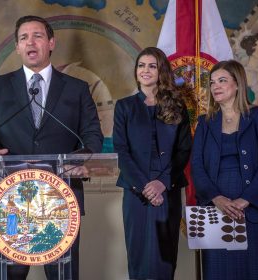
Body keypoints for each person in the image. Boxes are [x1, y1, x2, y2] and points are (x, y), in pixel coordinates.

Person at [0, 15, 103, 280]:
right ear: (17, 47)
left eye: (38, 36)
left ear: (51, 42)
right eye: (23, 38)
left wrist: (77, 159)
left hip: (60, 200)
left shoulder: (77, 89)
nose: (30, 42)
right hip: (10, 202)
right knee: (11, 274)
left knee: (61, 274)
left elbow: (92, 136)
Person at [113, 47, 192, 279]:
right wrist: (145, 186)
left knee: (165, 259)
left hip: (168, 191)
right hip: (136, 192)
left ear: (161, 71)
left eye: (152, 66)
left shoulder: (177, 106)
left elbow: (184, 149)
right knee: (137, 257)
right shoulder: (124, 107)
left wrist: (162, 183)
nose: (145, 70)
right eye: (141, 65)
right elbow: (121, 150)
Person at [191, 60, 258, 279]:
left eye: (222, 80)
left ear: (238, 84)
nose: (215, 86)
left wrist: (246, 199)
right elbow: (197, 165)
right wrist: (216, 198)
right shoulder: (204, 122)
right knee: (217, 272)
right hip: (216, 210)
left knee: (253, 271)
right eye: (212, 82)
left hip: (252, 209)